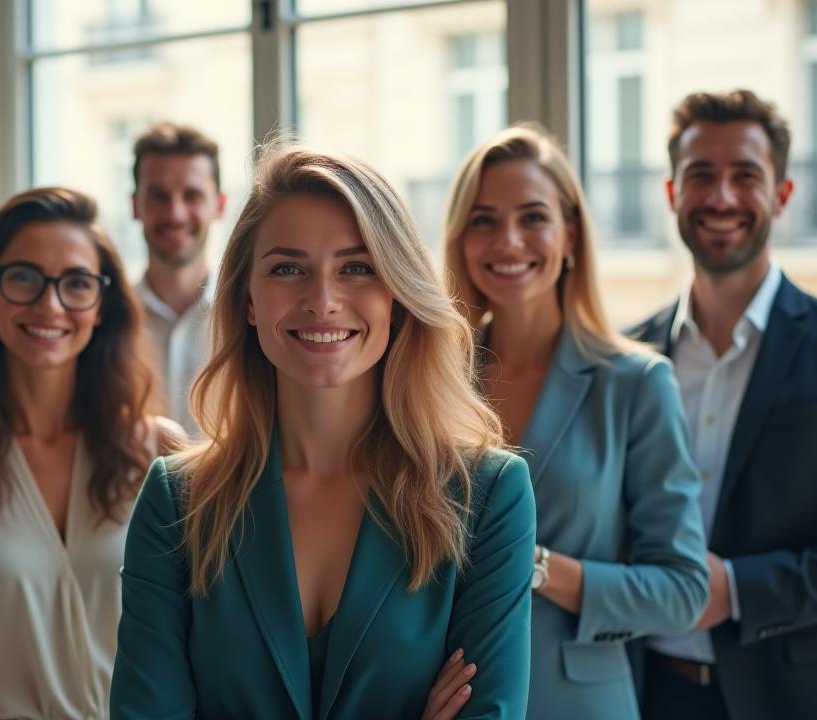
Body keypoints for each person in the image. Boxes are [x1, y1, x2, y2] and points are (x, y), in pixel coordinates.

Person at [111, 144, 536, 719]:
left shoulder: (488, 495)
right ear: (248, 300)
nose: (323, 301)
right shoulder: (177, 500)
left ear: (397, 295)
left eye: (357, 268)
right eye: (288, 269)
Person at [633, 89, 817, 720]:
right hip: (644, 692)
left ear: (782, 194)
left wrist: (738, 590)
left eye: (746, 175)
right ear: (672, 193)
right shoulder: (630, 355)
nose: (722, 197)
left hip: (798, 699)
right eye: (701, 175)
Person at [441, 124, 709, 719]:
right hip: (446, 702)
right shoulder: (431, 382)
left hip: (580, 704)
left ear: (570, 235)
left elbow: (683, 591)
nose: (508, 240)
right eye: (484, 220)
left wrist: (534, 565)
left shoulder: (636, 384)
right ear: (461, 239)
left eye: (533, 217)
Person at [0, 187, 183, 719]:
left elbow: (196, 659)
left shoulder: (160, 452)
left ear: (102, 306)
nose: (49, 304)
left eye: (76, 283)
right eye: (24, 277)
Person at [131, 122, 228, 435]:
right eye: (158, 196)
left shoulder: (250, 317)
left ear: (220, 205)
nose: (175, 214)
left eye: (192, 195)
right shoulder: (104, 317)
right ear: (135, 205)